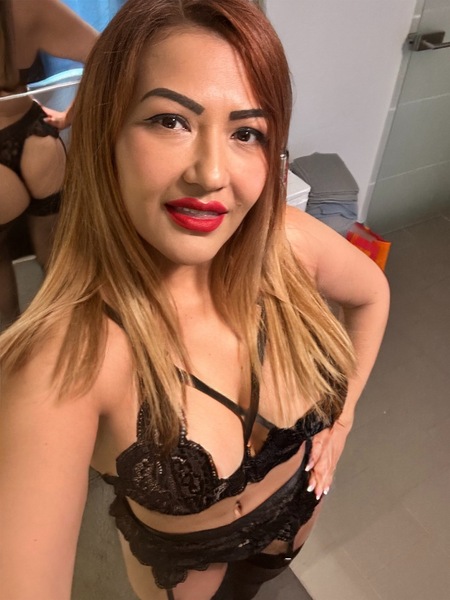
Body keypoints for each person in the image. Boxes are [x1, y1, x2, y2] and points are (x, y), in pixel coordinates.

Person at [0, 0, 390, 599]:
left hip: (293, 524)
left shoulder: (287, 245)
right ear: (106, 131)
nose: (211, 173)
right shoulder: (64, 363)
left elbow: (371, 295)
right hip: (185, 573)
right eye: (171, 121)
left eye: (246, 132)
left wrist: (344, 417)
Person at [0, 0, 98, 328]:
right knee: (55, 253)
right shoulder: (28, 6)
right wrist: (71, 116)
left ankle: (12, 348)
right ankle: (68, 341)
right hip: (37, 140)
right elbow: (103, 51)